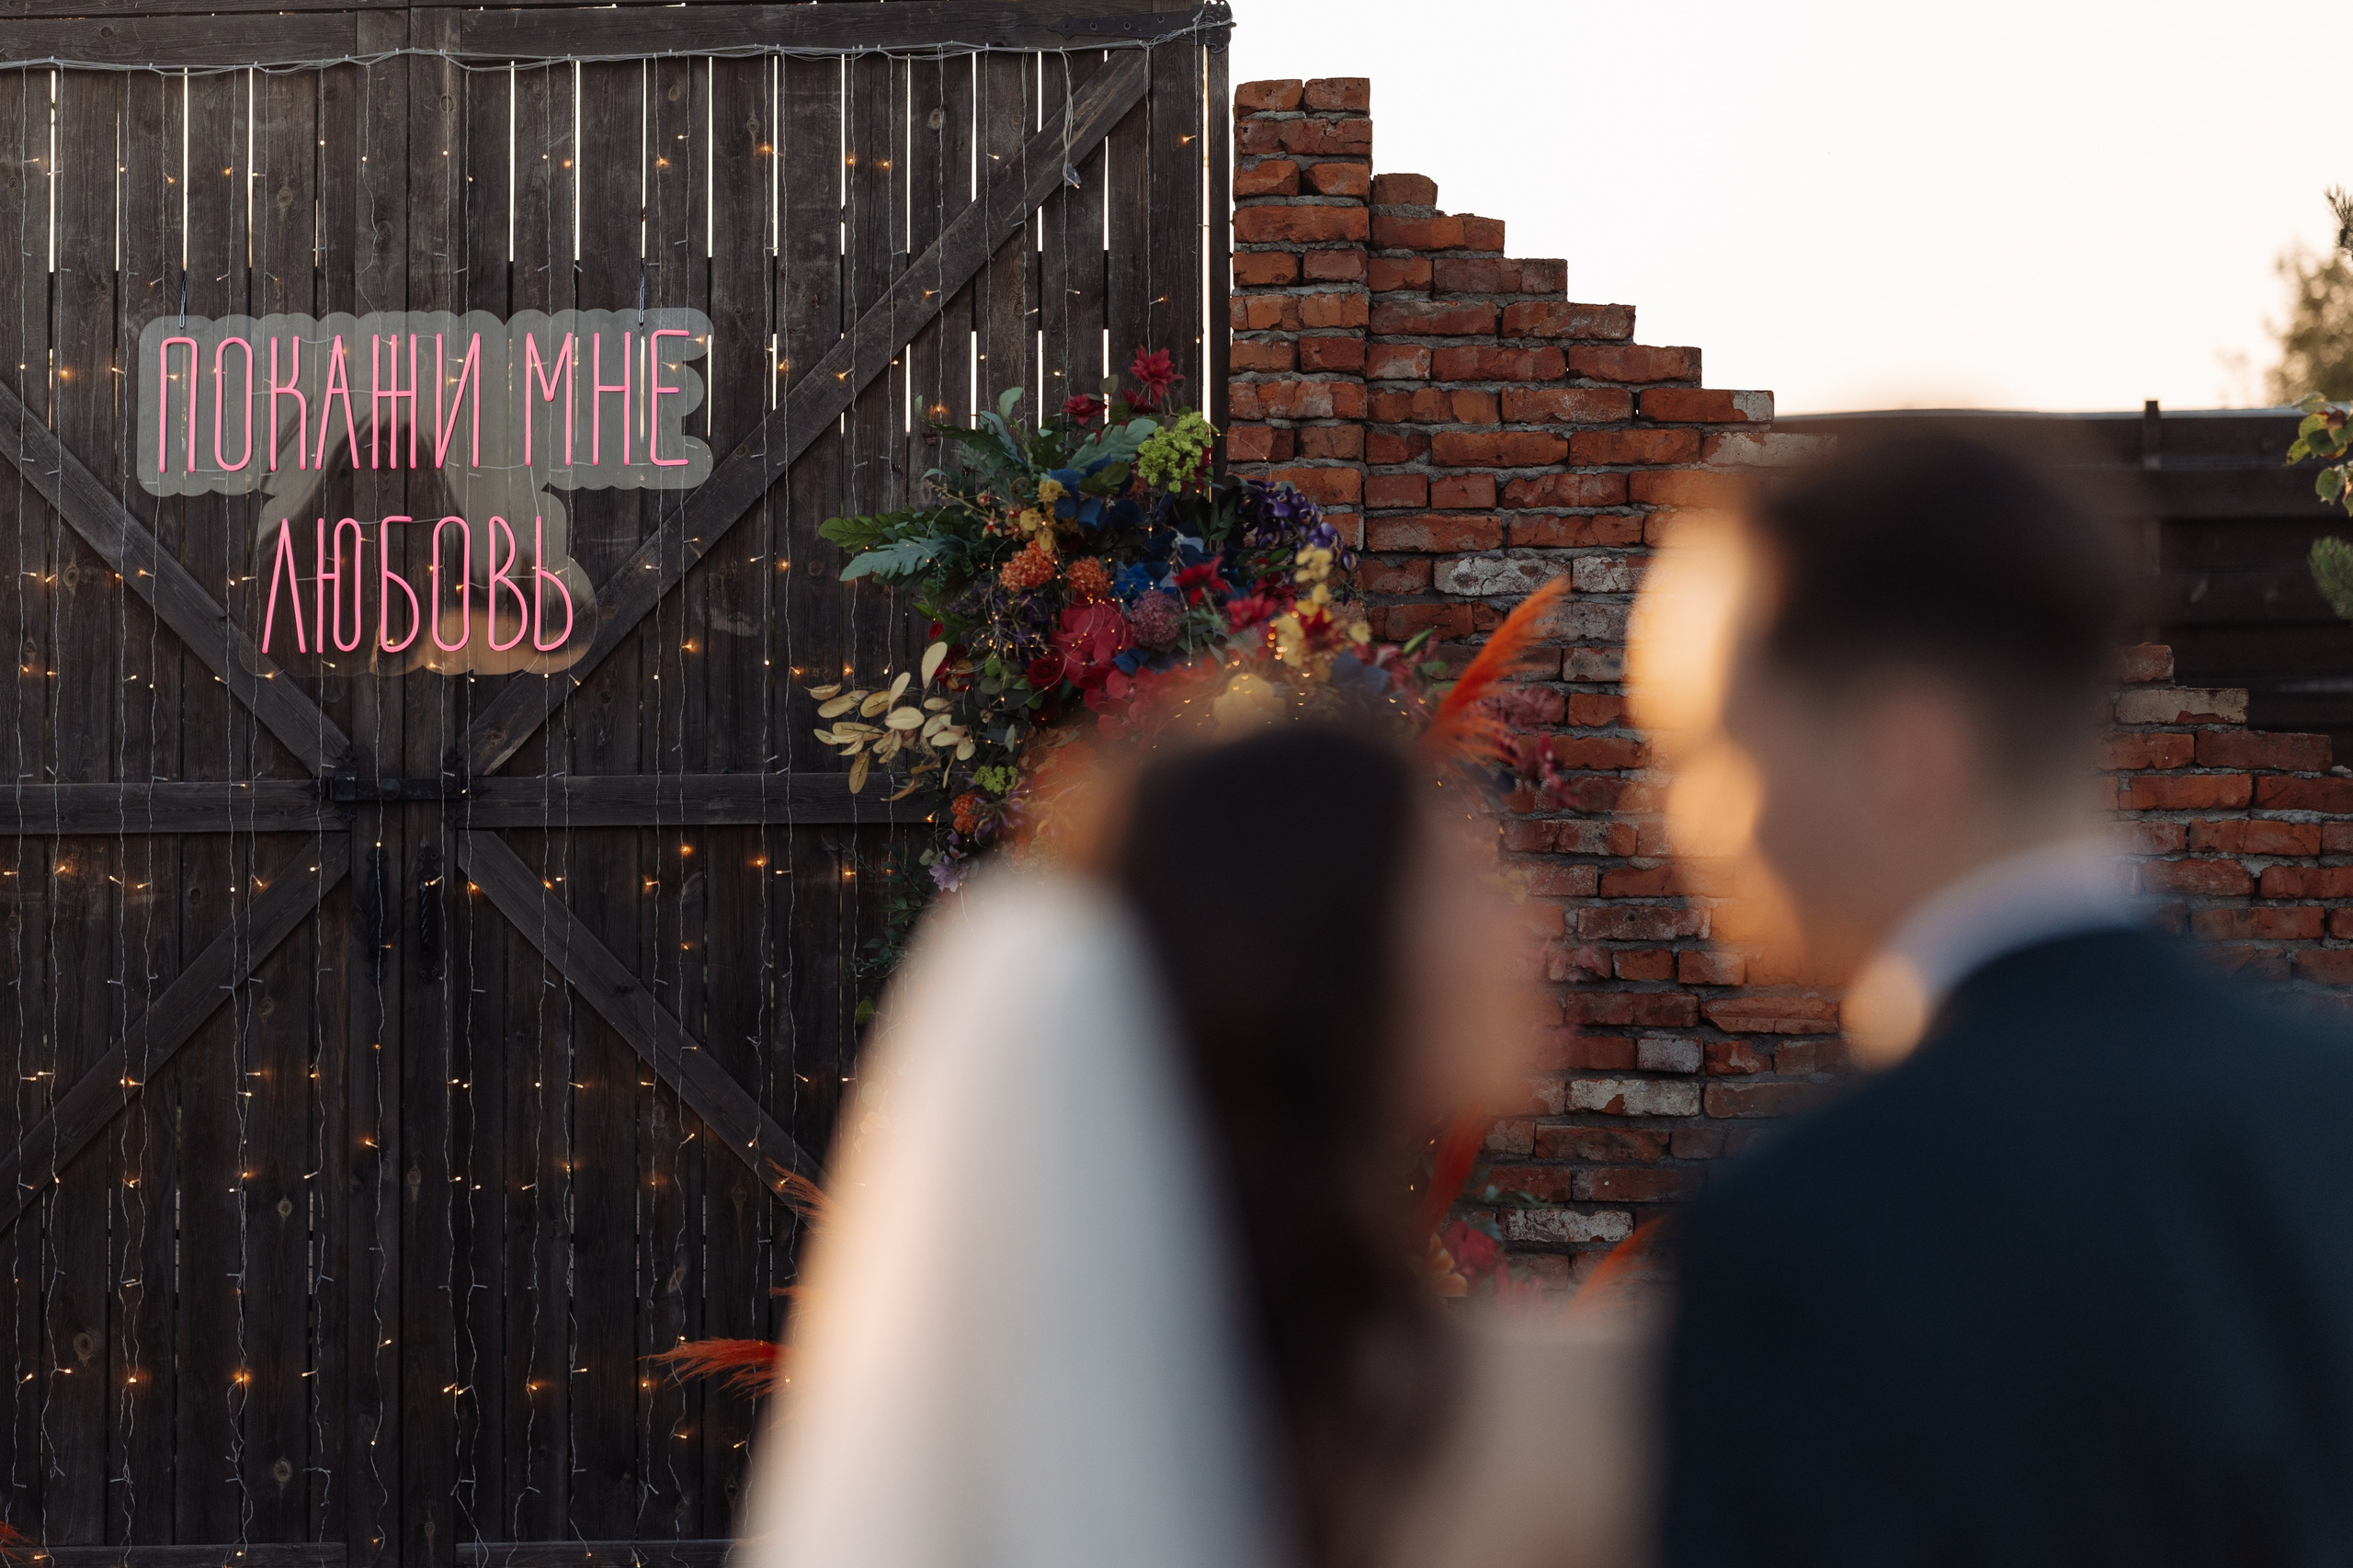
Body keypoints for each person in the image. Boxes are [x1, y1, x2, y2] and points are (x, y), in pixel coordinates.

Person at [1636, 431, 2353, 1567]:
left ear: (1899, 755)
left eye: (1709, 752)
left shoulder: (1808, 1226)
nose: (1674, 818)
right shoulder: (2328, 1109)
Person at [738, 726, 1654, 1568]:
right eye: (1455, 879)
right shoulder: (1548, 1418)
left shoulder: (1066, 1418)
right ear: (1329, 951)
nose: (1527, 922)